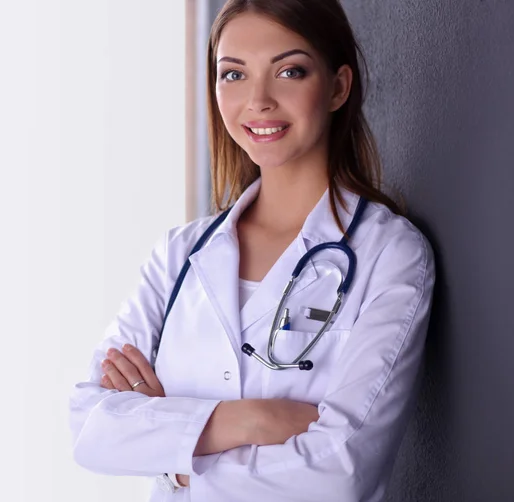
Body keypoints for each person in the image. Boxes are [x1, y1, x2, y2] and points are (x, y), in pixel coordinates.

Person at [68, 0, 436, 500]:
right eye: (233, 75)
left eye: (289, 71)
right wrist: (252, 420)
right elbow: (90, 427)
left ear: (338, 87)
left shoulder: (387, 254)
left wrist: (174, 454)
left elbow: (339, 471)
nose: (258, 100)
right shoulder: (178, 256)